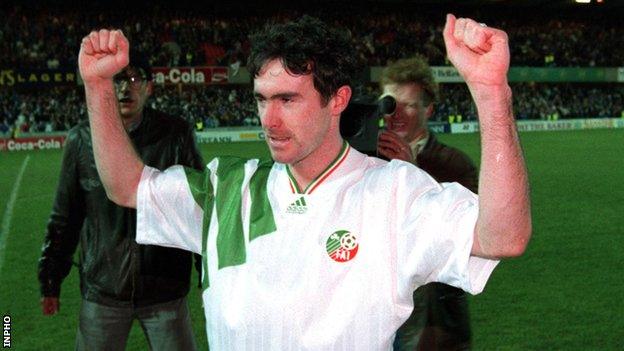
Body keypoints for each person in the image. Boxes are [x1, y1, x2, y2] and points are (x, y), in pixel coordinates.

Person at [78, 14, 531, 350]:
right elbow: (127, 186)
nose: (268, 121)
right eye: (261, 100)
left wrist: (492, 93)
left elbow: (504, 236)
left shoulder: (395, 192)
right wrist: (97, 85)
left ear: (338, 99)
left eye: (288, 100)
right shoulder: (227, 187)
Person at [38, 52, 204, 350]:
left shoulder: (176, 134)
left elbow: (198, 208)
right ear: (105, 87)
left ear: (148, 87)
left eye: (133, 78)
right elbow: (65, 216)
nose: (125, 88)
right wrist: (50, 279)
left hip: (165, 291)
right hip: (104, 291)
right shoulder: (82, 139)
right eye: (117, 80)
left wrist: (208, 276)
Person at [377, 56, 478, 350]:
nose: (397, 115)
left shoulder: (455, 165)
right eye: (390, 103)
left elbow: (463, 244)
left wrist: (413, 173)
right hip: (372, 317)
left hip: (431, 325)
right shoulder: (361, 163)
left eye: (409, 105)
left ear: (428, 109)